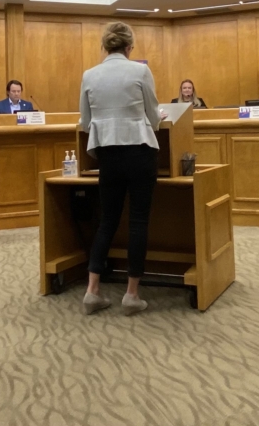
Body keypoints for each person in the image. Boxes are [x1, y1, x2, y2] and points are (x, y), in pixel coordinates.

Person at [79, 22, 161, 317]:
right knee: (138, 221)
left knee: (107, 221)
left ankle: (92, 291)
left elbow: (85, 122)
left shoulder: (89, 75)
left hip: (107, 155)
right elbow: (154, 117)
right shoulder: (140, 71)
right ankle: (131, 295)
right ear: (129, 48)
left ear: (105, 46)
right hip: (139, 151)